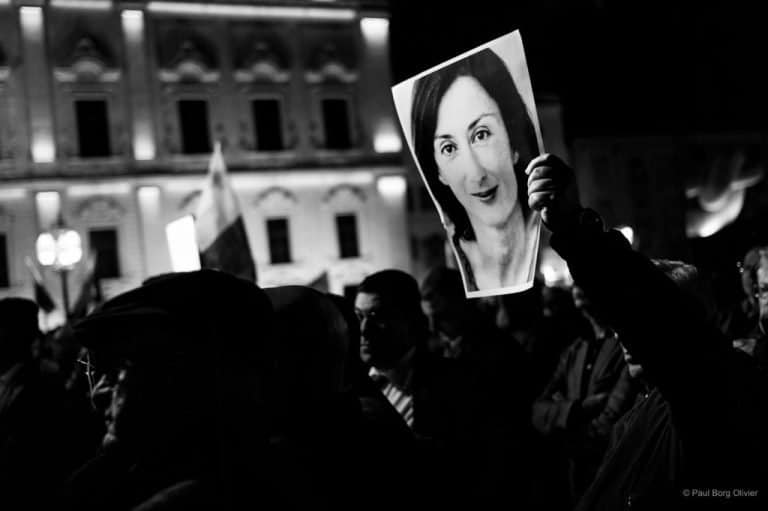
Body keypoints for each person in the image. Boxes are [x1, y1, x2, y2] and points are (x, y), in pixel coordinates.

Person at [527, 153, 768, 510]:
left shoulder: (712, 395)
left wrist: (576, 228)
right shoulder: (639, 415)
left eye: (634, 321)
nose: (624, 335)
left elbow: (653, 310)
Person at [411, 47, 540, 293]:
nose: (477, 174)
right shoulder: (456, 282)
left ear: (513, 142)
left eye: (481, 135)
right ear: (438, 172)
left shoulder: (558, 235)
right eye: (449, 148)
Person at [532, 285, 636, 503]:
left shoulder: (627, 348)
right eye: (575, 280)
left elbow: (610, 423)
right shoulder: (575, 350)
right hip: (574, 477)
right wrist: (579, 408)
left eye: (584, 279)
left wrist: (561, 422)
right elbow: (537, 410)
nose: (577, 285)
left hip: (607, 477)